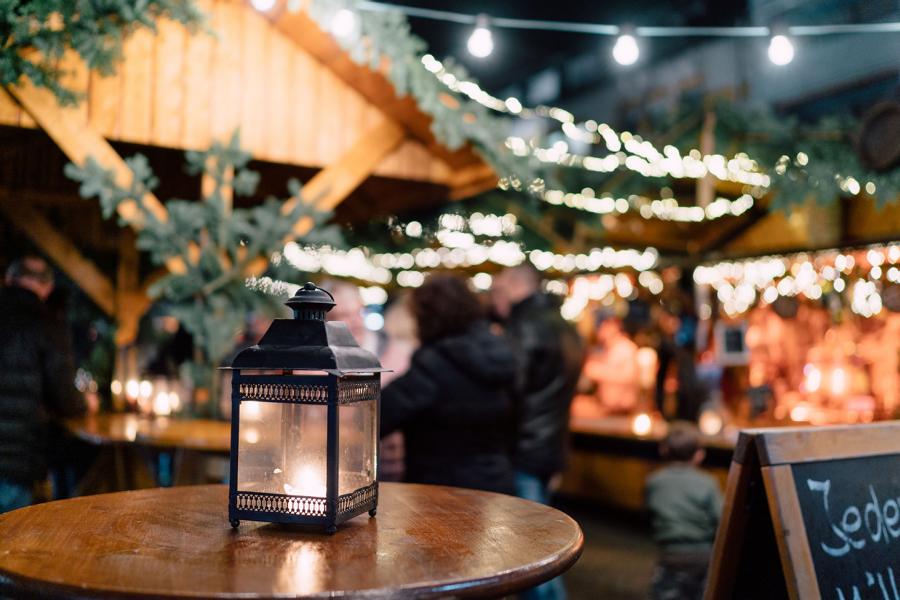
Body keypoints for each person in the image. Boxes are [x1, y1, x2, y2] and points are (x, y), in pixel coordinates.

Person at [380, 273, 517, 494]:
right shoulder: (502, 351)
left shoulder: (434, 363)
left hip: (442, 492)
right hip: (496, 484)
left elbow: (379, 414)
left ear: (428, 316)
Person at [492, 264, 584, 504]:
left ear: (516, 284)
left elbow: (512, 385)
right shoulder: (566, 326)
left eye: (500, 288)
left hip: (524, 444)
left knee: (529, 529)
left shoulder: (524, 325)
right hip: (554, 441)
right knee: (541, 522)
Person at [0, 256, 85, 513]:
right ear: (47, 288)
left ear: (8, 279)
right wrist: (86, 403)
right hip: (15, 460)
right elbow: (66, 401)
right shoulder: (49, 324)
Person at [645, 421, 723, 600]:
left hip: (670, 554)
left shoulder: (654, 481)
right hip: (703, 555)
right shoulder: (707, 482)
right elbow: (720, 519)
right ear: (699, 455)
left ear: (663, 450)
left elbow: (649, 515)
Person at [583, 317, 640, 413]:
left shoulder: (626, 348)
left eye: (603, 328)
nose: (600, 332)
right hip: (608, 407)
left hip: (622, 409)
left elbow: (629, 376)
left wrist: (598, 371)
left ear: (613, 328)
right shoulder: (611, 348)